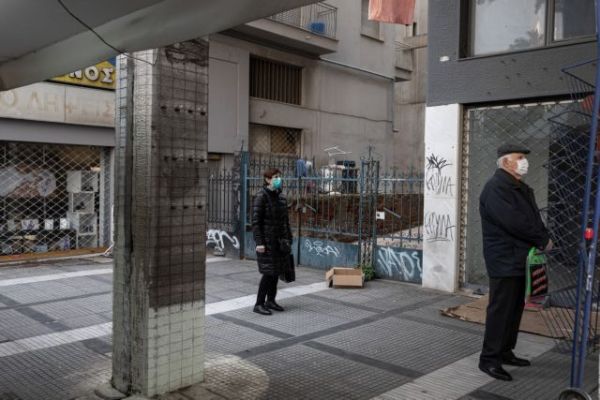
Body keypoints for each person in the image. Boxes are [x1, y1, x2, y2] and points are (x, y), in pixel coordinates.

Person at [478, 144, 553, 381]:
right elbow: (515, 222)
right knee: (501, 310)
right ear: (506, 162)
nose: (524, 161)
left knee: (514, 309)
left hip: (520, 257)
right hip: (504, 258)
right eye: (519, 157)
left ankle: (505, 351)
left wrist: (543, 237)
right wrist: (543, 239)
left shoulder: (519, 187)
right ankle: (489, 359)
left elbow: (532, 218)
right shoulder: (496, 188)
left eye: (524, 158)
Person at [252, 168, 293, 315]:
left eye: (279, 177)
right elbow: (256, 222)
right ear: (267, 179)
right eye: (275, 177)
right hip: (267, 242)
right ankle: (259, 304)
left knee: (276, 272)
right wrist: (259, 242)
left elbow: (285, 221)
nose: (278, 179)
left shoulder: (281, 197)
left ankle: (271, 301)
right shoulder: (261, 196)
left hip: (280, 242)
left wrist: (289, 238)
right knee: (268, 273)